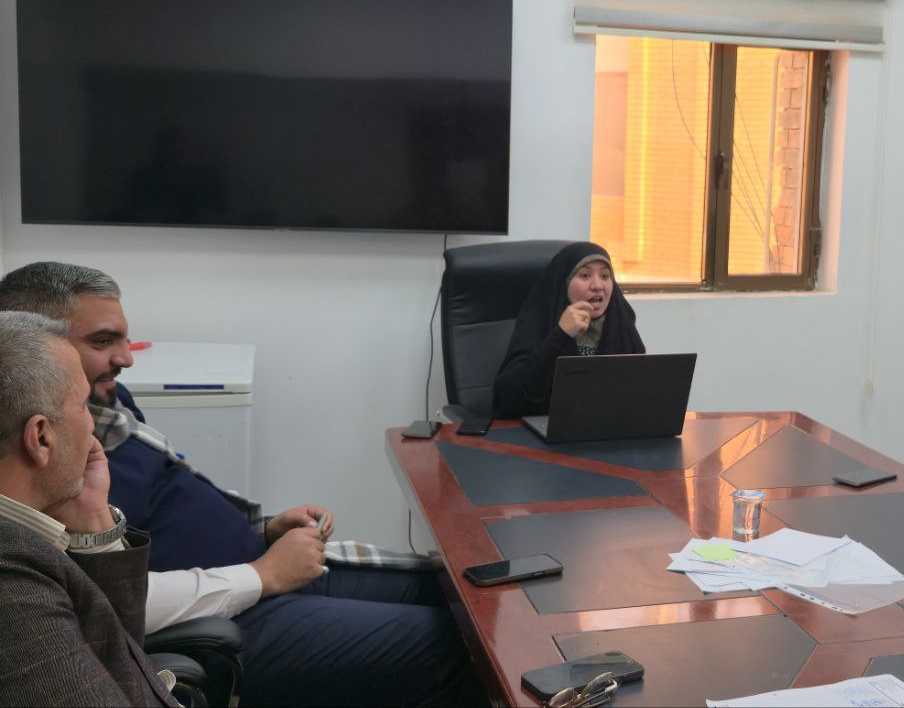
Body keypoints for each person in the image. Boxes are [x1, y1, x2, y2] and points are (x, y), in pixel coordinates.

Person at [0, 262, 481, 707]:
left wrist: (262, 529)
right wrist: (262, 576)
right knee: (462, 646)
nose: (127, 358)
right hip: (234, 606)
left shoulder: (100, 418)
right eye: (103, 341)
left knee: (464, 596)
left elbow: (116, 596)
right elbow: (102, 618)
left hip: (261, 564)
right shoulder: (35, 519)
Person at [0, 311, 178, 707]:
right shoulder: (10, 583)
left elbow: (119, 662)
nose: (91, 427)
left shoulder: (23, 536)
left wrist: (93, 522)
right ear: (40, 437)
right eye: (83, 406)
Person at [492, 242, 645, 418]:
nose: (597, 285)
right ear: (564, 282)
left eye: (605, 276)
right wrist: (560, 334)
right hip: (545, 427)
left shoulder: (621, 324)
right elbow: (509, 399)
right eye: (585, 275)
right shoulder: (539, 321)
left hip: (607, 428)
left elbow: (639, 395)